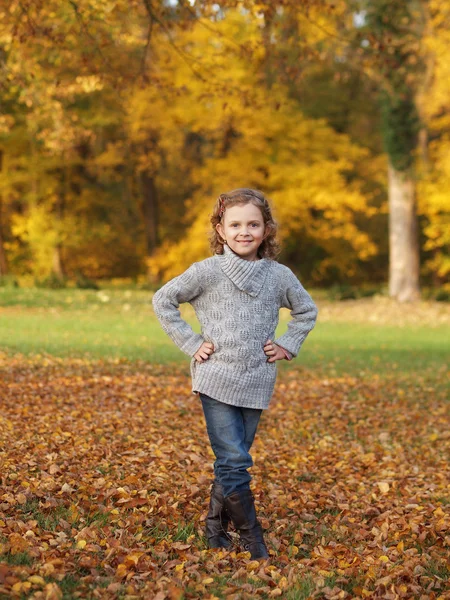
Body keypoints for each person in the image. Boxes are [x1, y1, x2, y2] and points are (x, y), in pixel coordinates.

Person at [152, 188, 318, 560]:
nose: (245, 232)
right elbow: (163, 300)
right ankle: (252, 537)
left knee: (232, 458)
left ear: (266, 229)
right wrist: (191, 343)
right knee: (235, 459)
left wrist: (288, 343)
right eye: (236, 224)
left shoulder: (278, 276)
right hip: (215, 377)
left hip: (257, 378)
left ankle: (214, 527)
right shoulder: (207, 272)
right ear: (221, 229)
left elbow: (306, 311)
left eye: (253, 224)